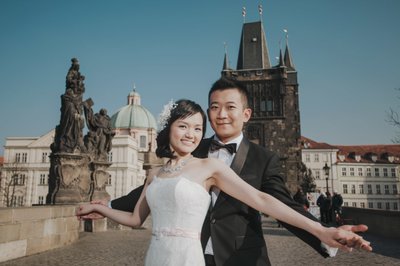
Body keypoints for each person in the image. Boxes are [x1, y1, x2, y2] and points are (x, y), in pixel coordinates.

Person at [79, 78, 371, 265]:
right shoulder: (193, 148)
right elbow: (153, 190)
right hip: (184, 255)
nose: (221, 114)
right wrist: (107, 205)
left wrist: (323, 231)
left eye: (230, 107)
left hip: (241, 257)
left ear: (246, 114)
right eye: (214, 107)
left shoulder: (263, 158)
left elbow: (276, 202)